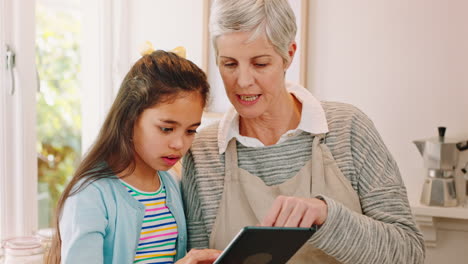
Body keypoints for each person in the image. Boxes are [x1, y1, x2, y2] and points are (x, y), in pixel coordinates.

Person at [181, 0, 425, 263]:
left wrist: (327, 216)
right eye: (229, 64)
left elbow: (409, 253)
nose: (243, 81)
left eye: (260, 64)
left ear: (289, 54)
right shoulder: (202, 151)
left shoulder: (348, 129)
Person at [47, 47, 221, 264]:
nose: (179, 144)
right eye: (166, 129)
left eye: (190, 131)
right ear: (130, 118)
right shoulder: (90, 196)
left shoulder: (170, 184)